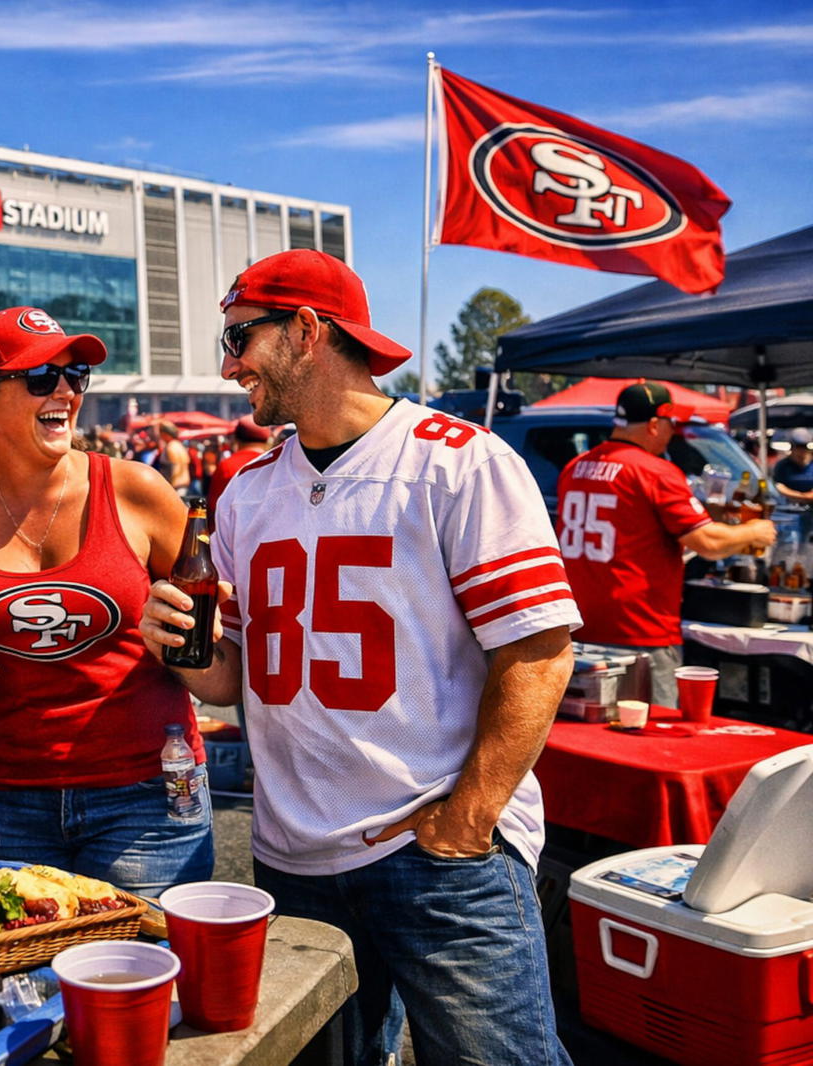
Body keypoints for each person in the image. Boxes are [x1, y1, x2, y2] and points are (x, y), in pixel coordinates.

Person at [142, 249, 583, 1065]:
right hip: (295, 857)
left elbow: (539, 650)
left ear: (307, 330)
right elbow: (232, 673)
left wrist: (469, 817)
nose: (231, 363)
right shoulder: (246, 489)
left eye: (241, 337)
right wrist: (175, 645)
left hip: (437, 851)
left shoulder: (457, 461)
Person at [0, 306, 212, 897]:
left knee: (139, 978)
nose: (66, 391)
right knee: (15, 983)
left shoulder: (137, 490)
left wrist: (193, 637)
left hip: (145, 799)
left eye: (76, 375)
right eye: (42, 377)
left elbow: (213, 635)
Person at [557, 382, 776, 708]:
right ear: (654, 424)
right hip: (641, 634)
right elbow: (708, 543)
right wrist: (754, 531)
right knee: (649, 745)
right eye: (671, 424)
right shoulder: (656, 471)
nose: (674, 432)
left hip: (581, 630)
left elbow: (632, 524)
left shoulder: (576, 468)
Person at [206, 415, 273, 519]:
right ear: (268, 440)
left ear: (236, 439)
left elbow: (214, 509)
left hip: (234, 533)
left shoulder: (227, 466)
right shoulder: (277, 463)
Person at [772, 427, 813, 545]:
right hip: (788, 510)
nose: (801, 451)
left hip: (811, 510)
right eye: (798, 447)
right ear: (792, 448)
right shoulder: (783, 466)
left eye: (804, 447)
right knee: (790, 542)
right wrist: (801, 496)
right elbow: (778, 486)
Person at [154, 421, 191, 497]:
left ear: (165, 434)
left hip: (175, 486)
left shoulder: (171, 447)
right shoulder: (180, 445)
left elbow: (175, 467)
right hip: (183, 485)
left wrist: (170, 487)